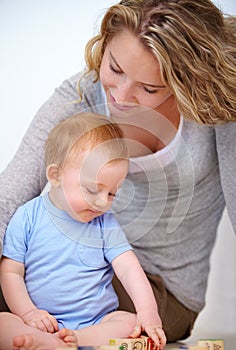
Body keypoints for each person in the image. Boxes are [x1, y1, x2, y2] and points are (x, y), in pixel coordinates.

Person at [0, 0, 235, 343]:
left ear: (186, 81)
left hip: (158, 290)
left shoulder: (217, 104)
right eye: (115, 68)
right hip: (68, 270)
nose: (122, 97)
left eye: (150, 88)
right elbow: (9, 198)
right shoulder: (79, 96)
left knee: (121, 321)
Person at [0, 112, 166, 350]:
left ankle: (74, 341)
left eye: (112, 193)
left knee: (127, 322)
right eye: (92, 189)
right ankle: (48, 340)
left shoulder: (105, 223)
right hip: (42, 322)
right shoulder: (27, 216)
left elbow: (129, 269)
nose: (102, 203)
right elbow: (11, 272)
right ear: (55, 175)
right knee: (4, 322)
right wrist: (29, 313)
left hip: (96, 323)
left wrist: (148, 312)